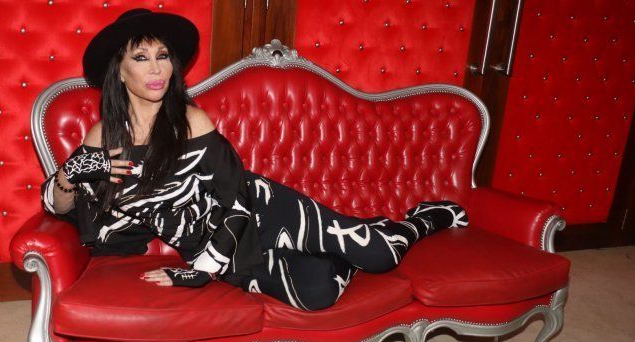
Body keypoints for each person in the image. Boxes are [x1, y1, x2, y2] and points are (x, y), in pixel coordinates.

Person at [41, 8, 469, 311]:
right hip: (220, 247)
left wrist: (201, 271)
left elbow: (236, 197)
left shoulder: (190, 121)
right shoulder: (103, 136)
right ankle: (343, 250)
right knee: (316, 295)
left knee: (380, 255)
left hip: (259, 211)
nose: (157, 69)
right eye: (141, 58)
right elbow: (61, 208)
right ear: (119, 72)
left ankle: (425, 218)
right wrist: (69, 174)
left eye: (163, 56)